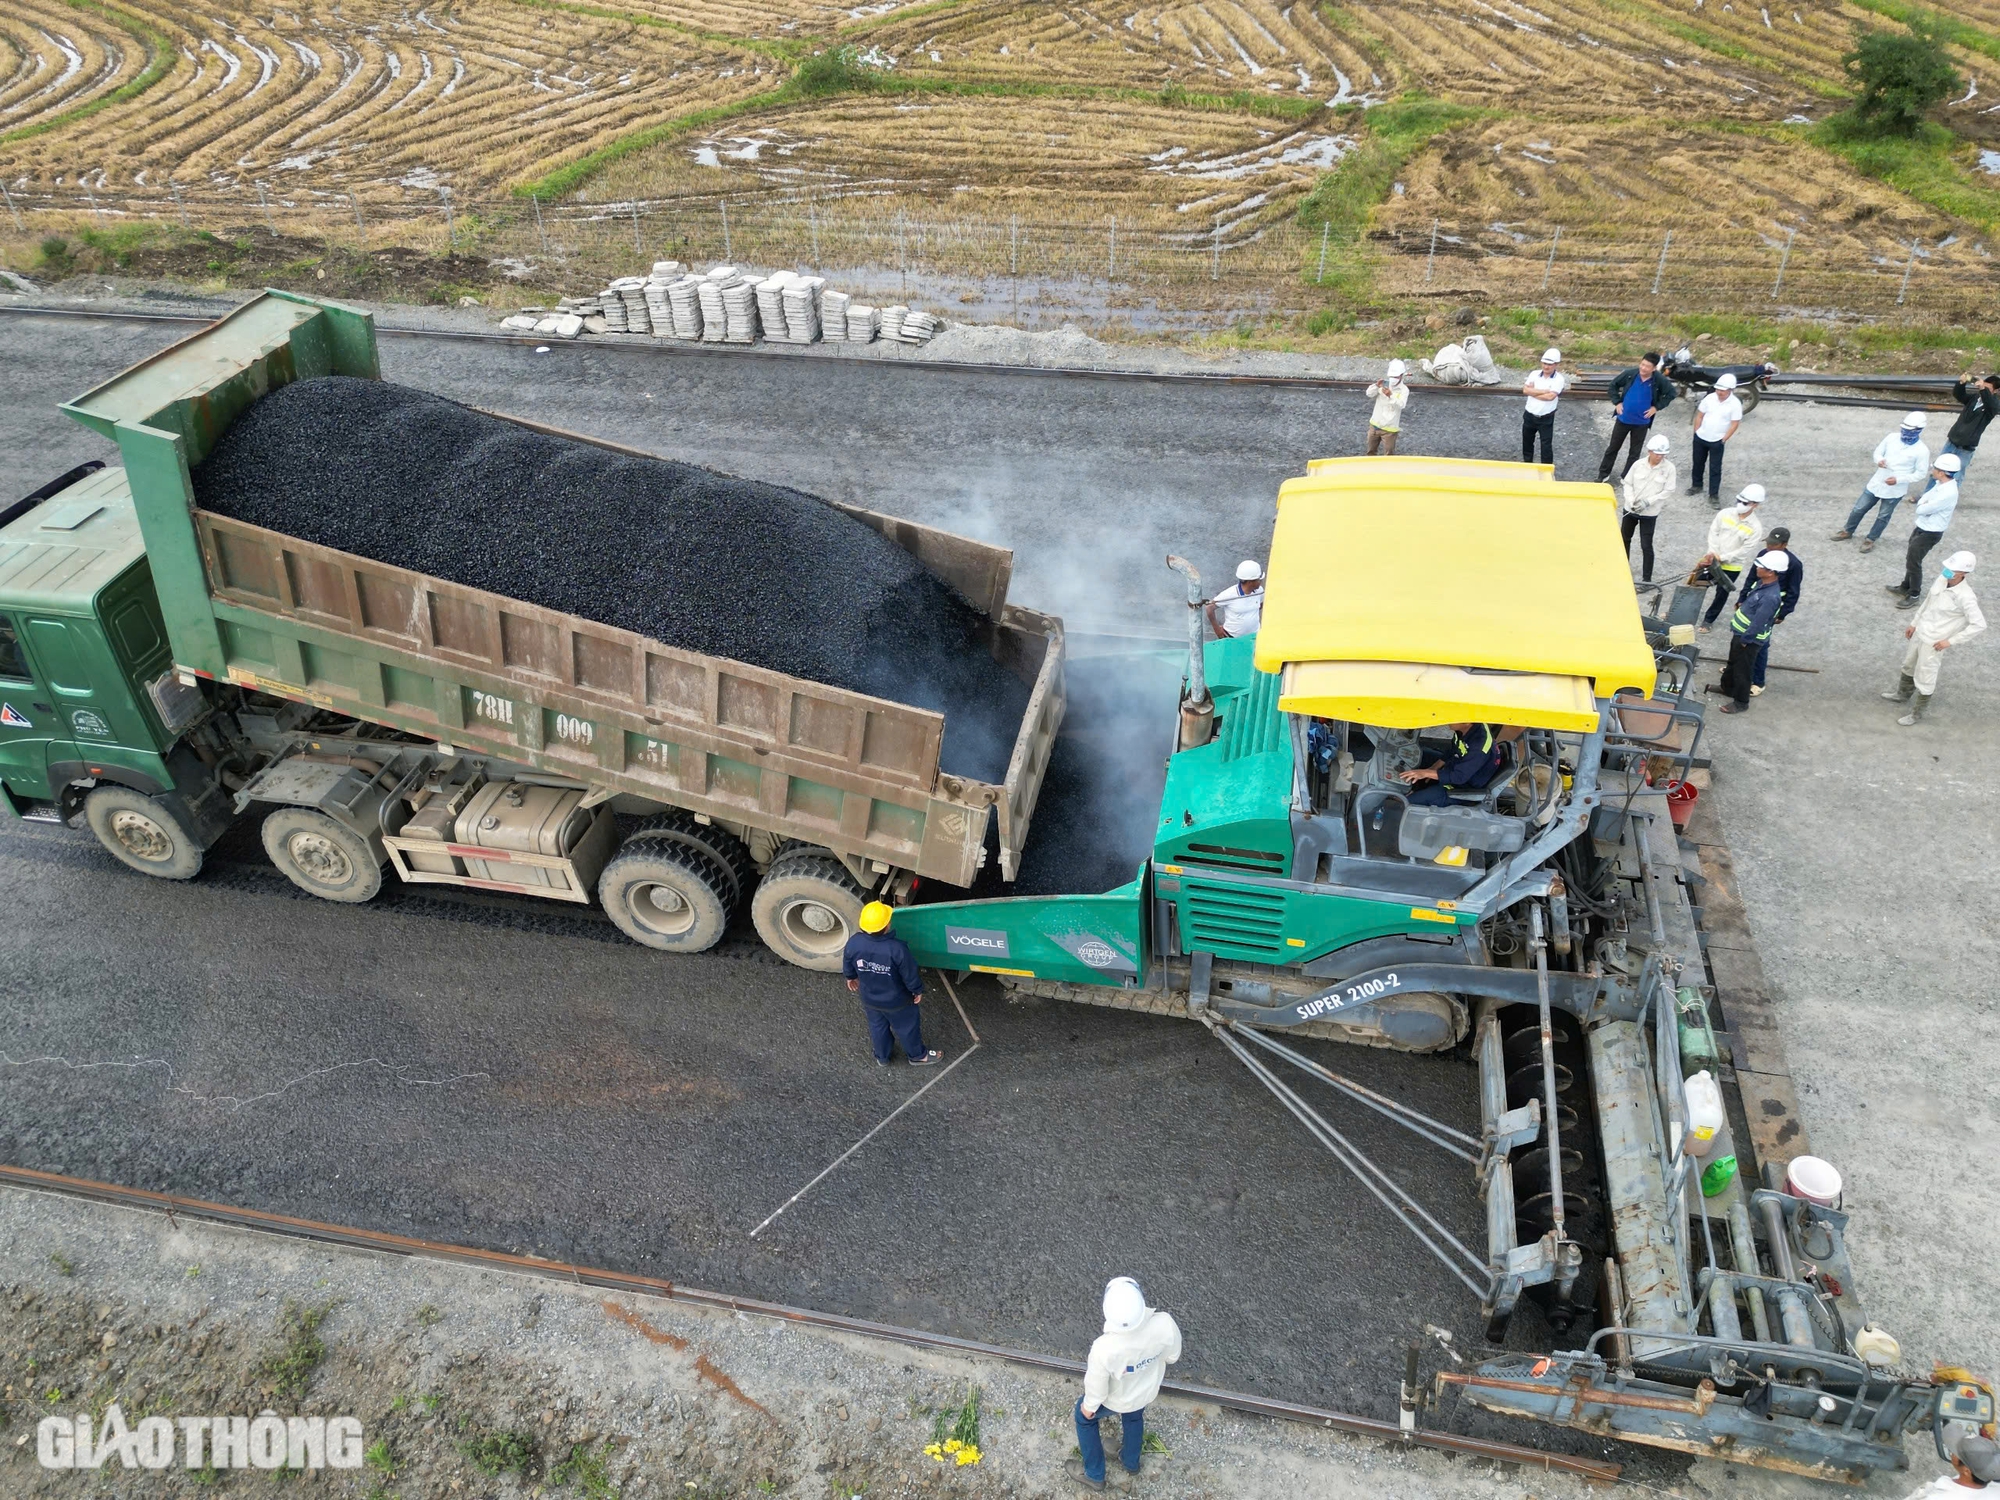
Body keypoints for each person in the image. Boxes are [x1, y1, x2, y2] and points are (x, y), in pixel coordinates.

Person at [1072, 1277, 1181, 1492]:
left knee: (1083, 1418)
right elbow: (1172, 1357)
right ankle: (1130, 1462)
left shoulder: (1103, 1348)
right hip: (1145, 1390)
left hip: (1117, 1398)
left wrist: (1089, 1407)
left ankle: (1094, 1475)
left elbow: (1098, 1387)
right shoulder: (1165, 1323)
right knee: (1134, 1418)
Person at [1882, 549, 1984, 725]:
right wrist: (1914, 623)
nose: (1947, 571)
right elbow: (1928, 602)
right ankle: (1902, 694)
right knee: (1908, 664)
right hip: (1921, 632)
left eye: (1951, 569)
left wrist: (1950, 641)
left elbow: (1979, 624)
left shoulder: (1966, 597)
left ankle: (1917, 714)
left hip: (1934, 642)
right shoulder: (1942, 579)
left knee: (1926, 675)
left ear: (1963, 573)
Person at [841, 902, 940, 1067]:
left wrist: (850, 976)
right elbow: (909, 974)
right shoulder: (897, 949)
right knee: (907, 1028)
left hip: (870, 999)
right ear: (887, 925)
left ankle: (882, 1057)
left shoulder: (854, 942)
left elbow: (848, 961)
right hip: (898, 1001)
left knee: (877, 1027)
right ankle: (917, 1056)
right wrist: (916, 990)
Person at [1834, 412, 1930, 552]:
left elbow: (1920, 473)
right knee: (1859, 508)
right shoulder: (1891, 438)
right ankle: (1847, 531)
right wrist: (1879, 460)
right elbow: (1877, 452)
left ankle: (1870, 539)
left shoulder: (1922, 451)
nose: (1906, 433)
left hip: (1895, 489)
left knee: (1883, 516)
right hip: (1877, 482)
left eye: (1910, 431)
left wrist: (1899, 480)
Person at [1708, 551, 1786, 714]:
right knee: (1732, 664)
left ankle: (1741, 702)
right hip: (1741, 635)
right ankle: (1727, 688)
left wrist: (1746, 639)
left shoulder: (1770, 597)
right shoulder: (1762, 584)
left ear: (1771, 571)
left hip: (1749, 640)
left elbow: (1759, 621)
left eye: (1761, 566)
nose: (1757, 568)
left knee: (1743, 670)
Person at [1890, 453, 1960, 607]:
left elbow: (1921, 509)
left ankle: (1914, 594)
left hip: (1930, 532)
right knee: (1911, 558)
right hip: (1923, 527)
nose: (1932, 470)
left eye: (1935, 468)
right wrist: (1924, 502)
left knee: (1914, 562)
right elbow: (1925, 500)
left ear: (1942, 472)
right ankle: (1905, 586)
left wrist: (1922, 503)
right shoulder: (1940, 484)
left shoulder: (1947, 492)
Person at [1598, 351, 1677, 480]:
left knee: (1634, 453)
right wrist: (1617, 402)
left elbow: (1671, 394)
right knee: (1612, 448)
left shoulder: (1658, 380)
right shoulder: (1631, 374)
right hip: (1623, 419)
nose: (1643, 368)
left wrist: (1656, 407)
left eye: (1647, 366)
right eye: (1642, 364)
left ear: (1654, 368)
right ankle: (1603, 474)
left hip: (1641, 423)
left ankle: (1627, 477)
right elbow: (1613, 385)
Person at [1694, 484, 1764, 630]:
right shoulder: (1724, 514)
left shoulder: (1755, 527)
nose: (1741, 505)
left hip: (1732, 565)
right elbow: (1714, 532)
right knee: (1696, 585)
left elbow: (1745, 549)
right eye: (1739, 500)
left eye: (1745, 503)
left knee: (1721, 594)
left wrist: (1723, 557)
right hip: (1711, 558)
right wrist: (1712, 553)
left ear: (1755, 505)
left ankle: (1708, 621)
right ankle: (1686, 613)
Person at [1397, 722, 1513, 806]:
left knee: (1407, 801)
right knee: (1417, 755)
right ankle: (1414, 785)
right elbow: (1453, 750)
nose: (1449, 719)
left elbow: (1458, 777)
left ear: (1466, 722)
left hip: (1461, 787)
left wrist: (1425, 773)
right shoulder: (1467, 729)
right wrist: (1433, 768)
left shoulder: (1478, 748)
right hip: (1457, 764)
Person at [1750, 526, 1803, 697]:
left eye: (1774, 544)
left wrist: (1783, 613)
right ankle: (1737, 668)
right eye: (1769, 543)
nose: (1769, 547)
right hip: (1752, 604)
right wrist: (1742, 597)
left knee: (1760, 643)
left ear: (1784, 544)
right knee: (1742, 638)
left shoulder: (1794, 564)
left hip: (1770, 608)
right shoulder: (1763, 555)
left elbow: (1794, 591)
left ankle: (1758, 681)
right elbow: (1751, 577)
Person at [1619, 433, 1677, 581]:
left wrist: (1649, 502)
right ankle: (1622, 570)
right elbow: (1628, 483)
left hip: (1649, 513)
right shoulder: (1638, 465)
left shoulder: (1669, 469)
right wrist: (1630, 500)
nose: (1660, 457)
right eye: (1657, 453)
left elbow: (1668, 490)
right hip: (1630, 509)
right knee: (1624, 539)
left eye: (1663, 454)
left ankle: (1646, 579)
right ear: (1649, 451)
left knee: (1646, 545)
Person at [1688, 373, 1744, 505]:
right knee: (1697, 462)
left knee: (1715, 468)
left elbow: (1735, 423)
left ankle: (1713, 494)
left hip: (1717, 440)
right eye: (1718, 389)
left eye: (1722, 390)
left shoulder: (1735, 404)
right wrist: (1696, 432)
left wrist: (1724, 439)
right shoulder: (1709, 398)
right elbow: (1700, 415)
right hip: (1701, 437)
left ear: (1730, 390)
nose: (1719, 392)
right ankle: (1696, 485)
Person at [1902, 1429, 2000, 1495]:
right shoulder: (1994, 1490)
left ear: (1967, 1471)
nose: (1952, 1452)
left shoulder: (1937, 1495)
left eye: (1955, 1452)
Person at [1941, 370, 2000, 476]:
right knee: (1939, 470)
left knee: (1955, 476)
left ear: (1996, 391)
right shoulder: (1974, 398)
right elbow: (1959, 395)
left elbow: (1990, 405)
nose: (1984, 389)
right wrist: (1961, 383)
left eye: (1988, 388)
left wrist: (1982, 389)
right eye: (1983, 386)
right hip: (1952, 441)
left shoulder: (1994, 405)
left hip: (1966, 448)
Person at [1521, 347, 1565, 465]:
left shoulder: (1559, 379)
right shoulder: (1533, 374)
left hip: (1546, 418)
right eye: (1545, 363)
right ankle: (1527, 464)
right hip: (1529, 415)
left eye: (1550, 364)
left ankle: (1546, 469)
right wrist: (1544, 391)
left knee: (1546, 445)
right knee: (1527, 442)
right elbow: (1525, 390)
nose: (1546, 367)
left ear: (1556, 365)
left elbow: (1550, 397)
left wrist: (1533, 391)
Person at [1207, 560, 1265, 638]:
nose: (1261, 581)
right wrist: (1216, 629)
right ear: (1250, 582)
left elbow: (1260, 605)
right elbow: (1209, 608)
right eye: (1259, 580)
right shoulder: (1229, 594)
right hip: (1232, 638)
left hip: (1254, 636)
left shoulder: (1260, 591)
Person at [1365, 360, 1409, 455]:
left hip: (1390, 430)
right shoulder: (1383, 384)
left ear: (1401, 375)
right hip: (1375, 426)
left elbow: (1402, 404)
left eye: (1395, 377)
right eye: (1391, 376)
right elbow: (1369, 393)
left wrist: (1390, 396)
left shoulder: (1404, 390)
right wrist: (1376, 386)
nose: (1393, 379)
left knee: (1389, 456)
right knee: (1370, 452)